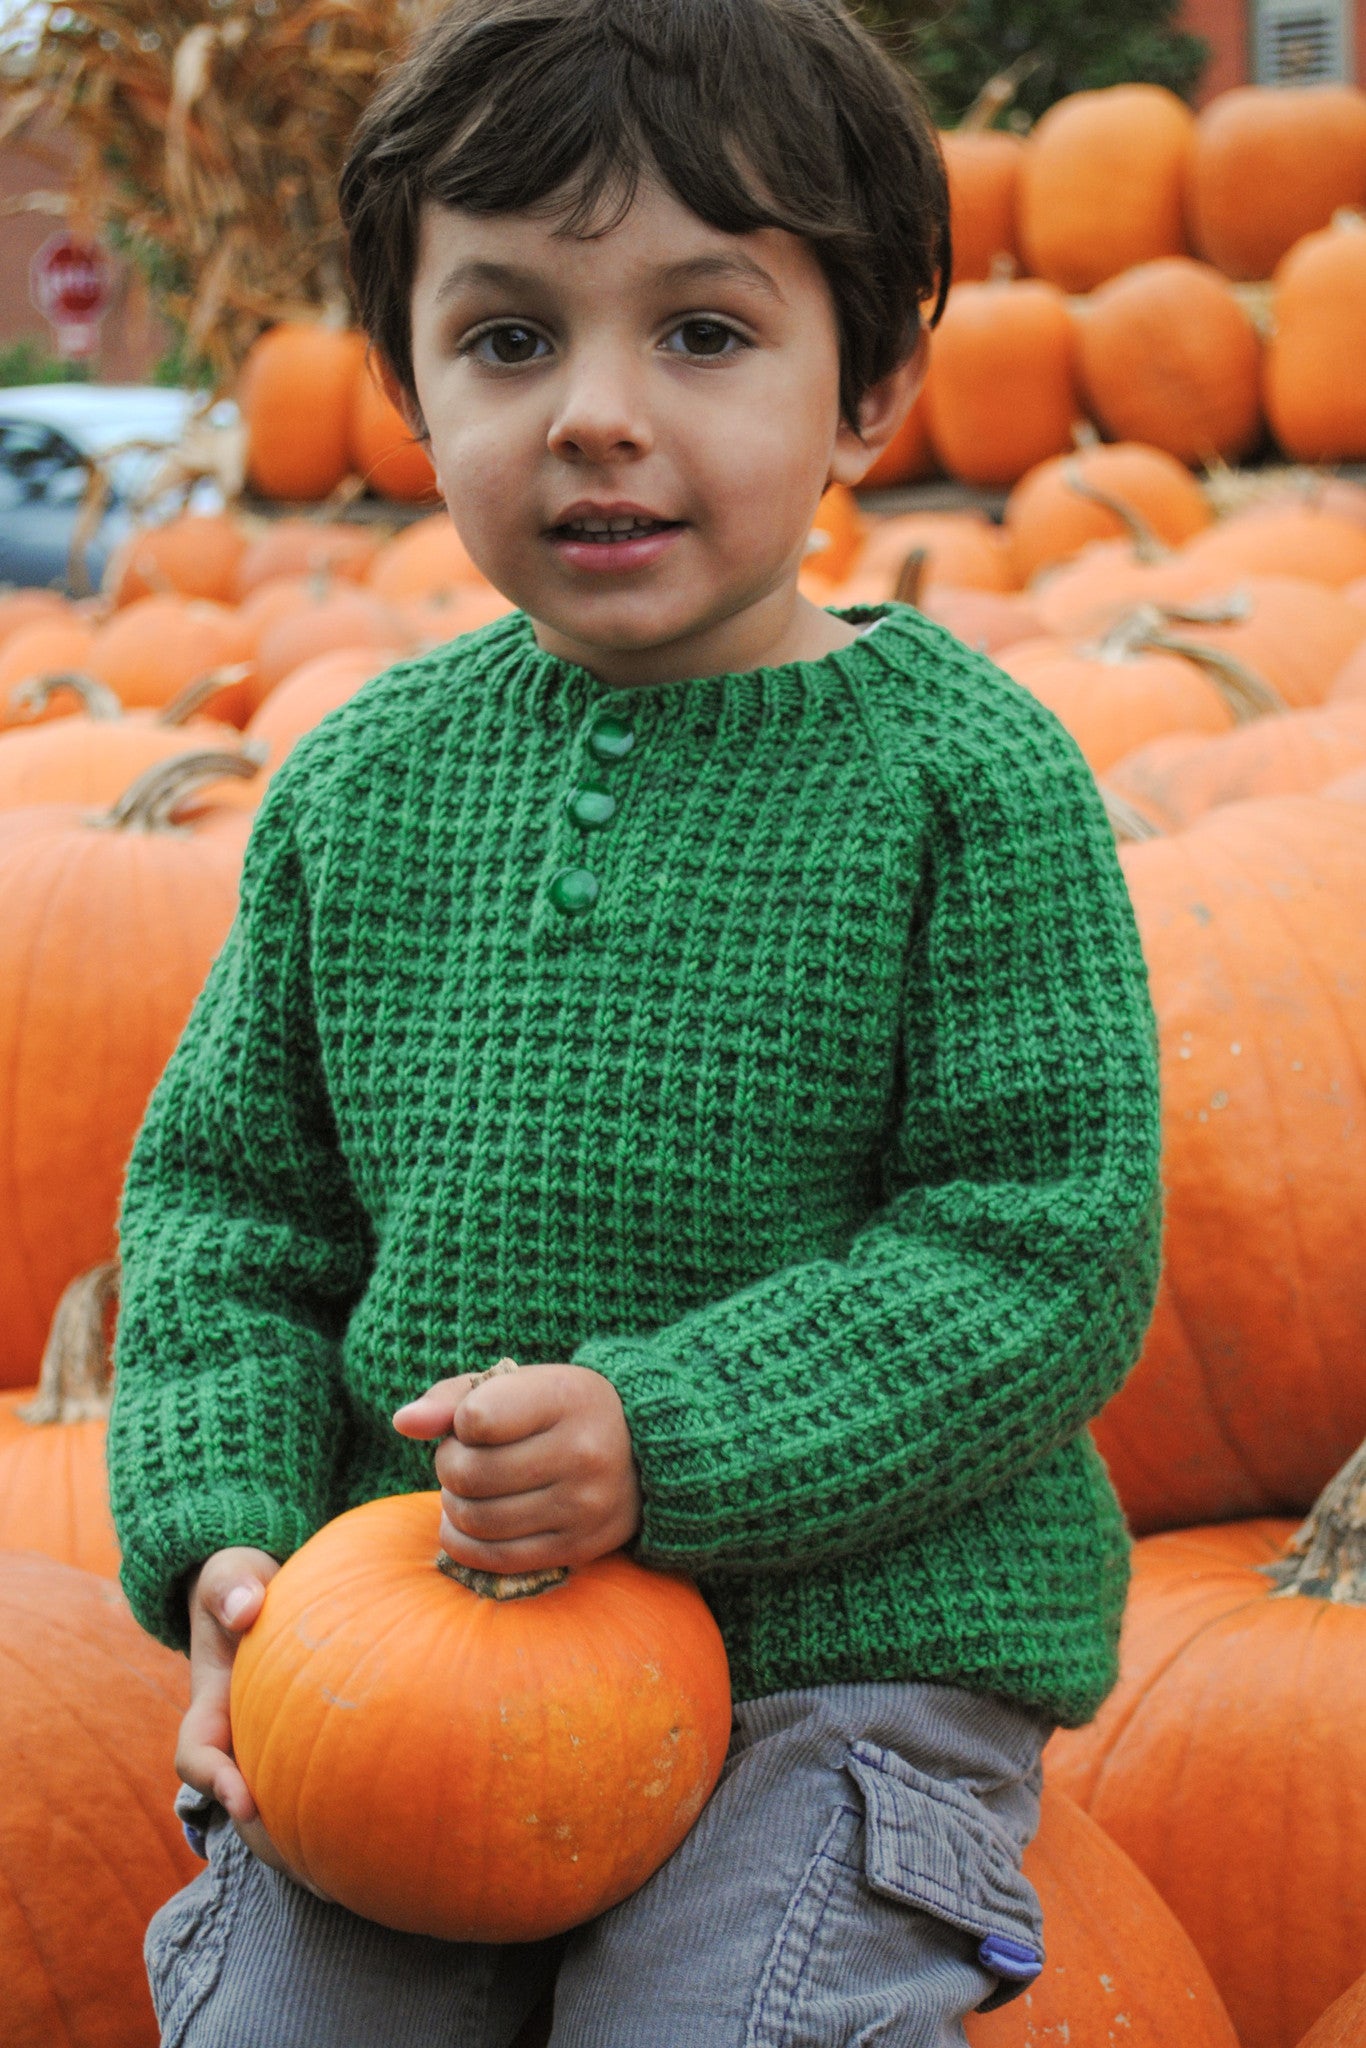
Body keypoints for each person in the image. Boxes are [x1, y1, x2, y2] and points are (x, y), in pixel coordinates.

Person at [107, 0, 1162, 2040]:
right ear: (407, 389)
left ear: (866, 387)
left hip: (835, 1661)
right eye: (508, 338)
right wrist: (232, 1544)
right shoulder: (360, 785)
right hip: (418, 1653)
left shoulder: (962, 782)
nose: (594, 411)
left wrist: (654, 1440)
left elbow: (1039, 1242)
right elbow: (232, 1212)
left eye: (699, 333)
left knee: (724, 2018)